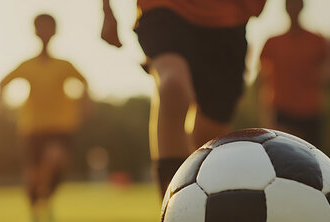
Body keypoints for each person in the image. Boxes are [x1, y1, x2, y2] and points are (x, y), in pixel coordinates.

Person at [101, 0, 267, 196]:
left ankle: (205, 207)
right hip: (164, 9)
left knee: (209, 135)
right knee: (173, 87)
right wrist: (107, 10)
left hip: (228, 20)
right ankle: (172, 208)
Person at [0, 14, 89, 222]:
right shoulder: (27, 65)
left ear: (55, 31)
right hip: (31, 127)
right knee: (32, 174)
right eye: (41, 27)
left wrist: (83, 107)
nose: (45, 31)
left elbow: (84, 84)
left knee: (56, 160)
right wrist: (4, 109)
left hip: (60, 126)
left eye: (49, 27)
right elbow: (3, 83)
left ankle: (45, 199)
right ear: (35, 31)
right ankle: (35, 216)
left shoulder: (64, 65)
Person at [259, 0, 330, 146]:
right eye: (290, 4)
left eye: (297, 3)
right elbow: (262, 79)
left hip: (311, 111)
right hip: (282, 110)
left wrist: (317, 76)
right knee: (283, 158)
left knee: (310, 162)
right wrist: (266, 115)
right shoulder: (272, 42)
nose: (293, 7)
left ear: (302, 7)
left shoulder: (317, 40)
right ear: (285, 8)